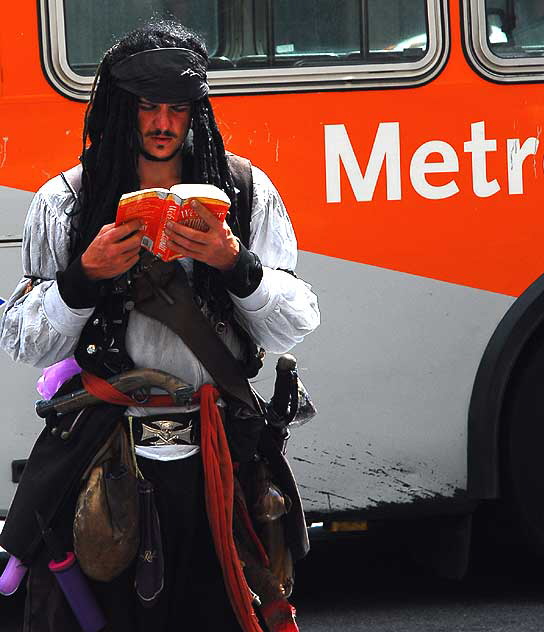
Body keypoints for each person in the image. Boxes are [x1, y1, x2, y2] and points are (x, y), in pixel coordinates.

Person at [0, 19, 320, 632]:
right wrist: (81, 281)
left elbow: (296, 326)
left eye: (177, 108)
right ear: (123, 110)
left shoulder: (245, 192)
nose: (163, 124)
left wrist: (235, 264)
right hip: (103, 451)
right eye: (148, 107)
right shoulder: (65, 202)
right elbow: (22, 340)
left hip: (219, 453)